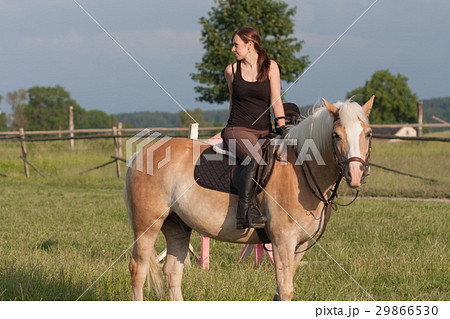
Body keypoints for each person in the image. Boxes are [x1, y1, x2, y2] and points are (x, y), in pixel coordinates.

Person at [223, 27, 287, 230]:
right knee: (255, 158)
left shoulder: (271, 67)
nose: (233, 49)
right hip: (237, 129)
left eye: (236, 44)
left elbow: (276, 99)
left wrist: (282, 126)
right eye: (233, 45)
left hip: (263, 130)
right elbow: (233, 102)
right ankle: (244, 212)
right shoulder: (231, 71)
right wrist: (225, 131)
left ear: (250, 45)